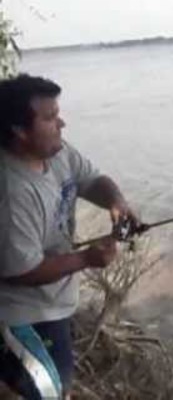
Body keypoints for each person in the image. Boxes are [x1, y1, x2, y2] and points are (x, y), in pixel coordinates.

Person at [0, 74, 137, 399]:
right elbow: (22, 270)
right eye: (49, 118)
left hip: (55, 304)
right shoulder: (12, 192)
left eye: (57, 113)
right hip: (21, 315)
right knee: (52, 392)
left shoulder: (55, 152)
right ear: (19, 131)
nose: (61, 123)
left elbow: (91, 180)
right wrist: (87, 259)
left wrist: (117, 204)